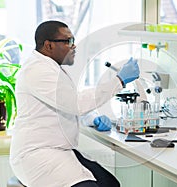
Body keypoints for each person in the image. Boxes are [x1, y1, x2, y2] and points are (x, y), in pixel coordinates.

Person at [9, 20, 140, 187]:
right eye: (68, 41)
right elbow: (74, 103)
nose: (74, 46)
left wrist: (92, 119)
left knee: (110, 184)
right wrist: (119, 80)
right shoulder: (37, 70)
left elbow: (64, 107)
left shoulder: (51, 67)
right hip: (38, 155)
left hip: (58, 151)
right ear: (49, 45)